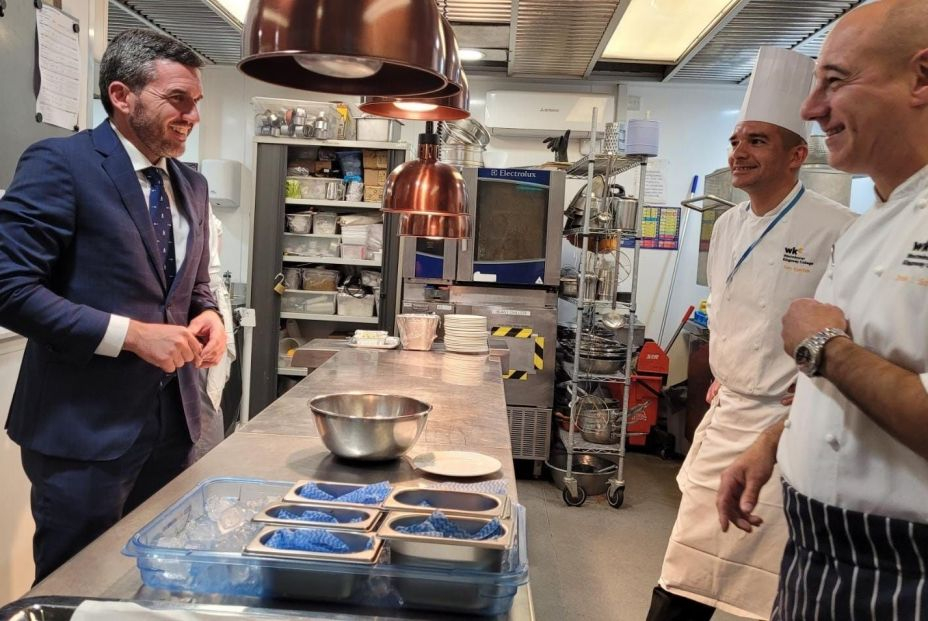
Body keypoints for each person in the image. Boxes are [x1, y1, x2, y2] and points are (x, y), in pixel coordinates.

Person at [717, 1, 928, 619]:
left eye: (834, 82)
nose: (812, 109)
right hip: (820, 552)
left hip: (902, 568)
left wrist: (823, 347)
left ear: (922, 79)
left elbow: (830, 351)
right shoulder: (874, 226)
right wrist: (774, 440)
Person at [0, 28, 225, 583]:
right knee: (75, 584)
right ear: (122, 96)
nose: (192, 116)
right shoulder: (61, 163)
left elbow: (191, 284)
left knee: (152, 578)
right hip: (84, 431)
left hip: (176, 426)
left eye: (196, 103)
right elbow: (9, 286)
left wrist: (211, 314)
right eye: (178, 100)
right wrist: (130, 334)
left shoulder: (190, 183)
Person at [648, 47, 856, 621]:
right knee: (691, 565)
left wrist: (819, 385)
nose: (739, 152)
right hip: (727, 413)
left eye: (757, 141)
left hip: (783, 429)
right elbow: (728, 308)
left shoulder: (838, 228)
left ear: (797, 154)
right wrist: (725, 369)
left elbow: (853, 327)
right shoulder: (731, 222)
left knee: (749, 582)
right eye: (736, 141)